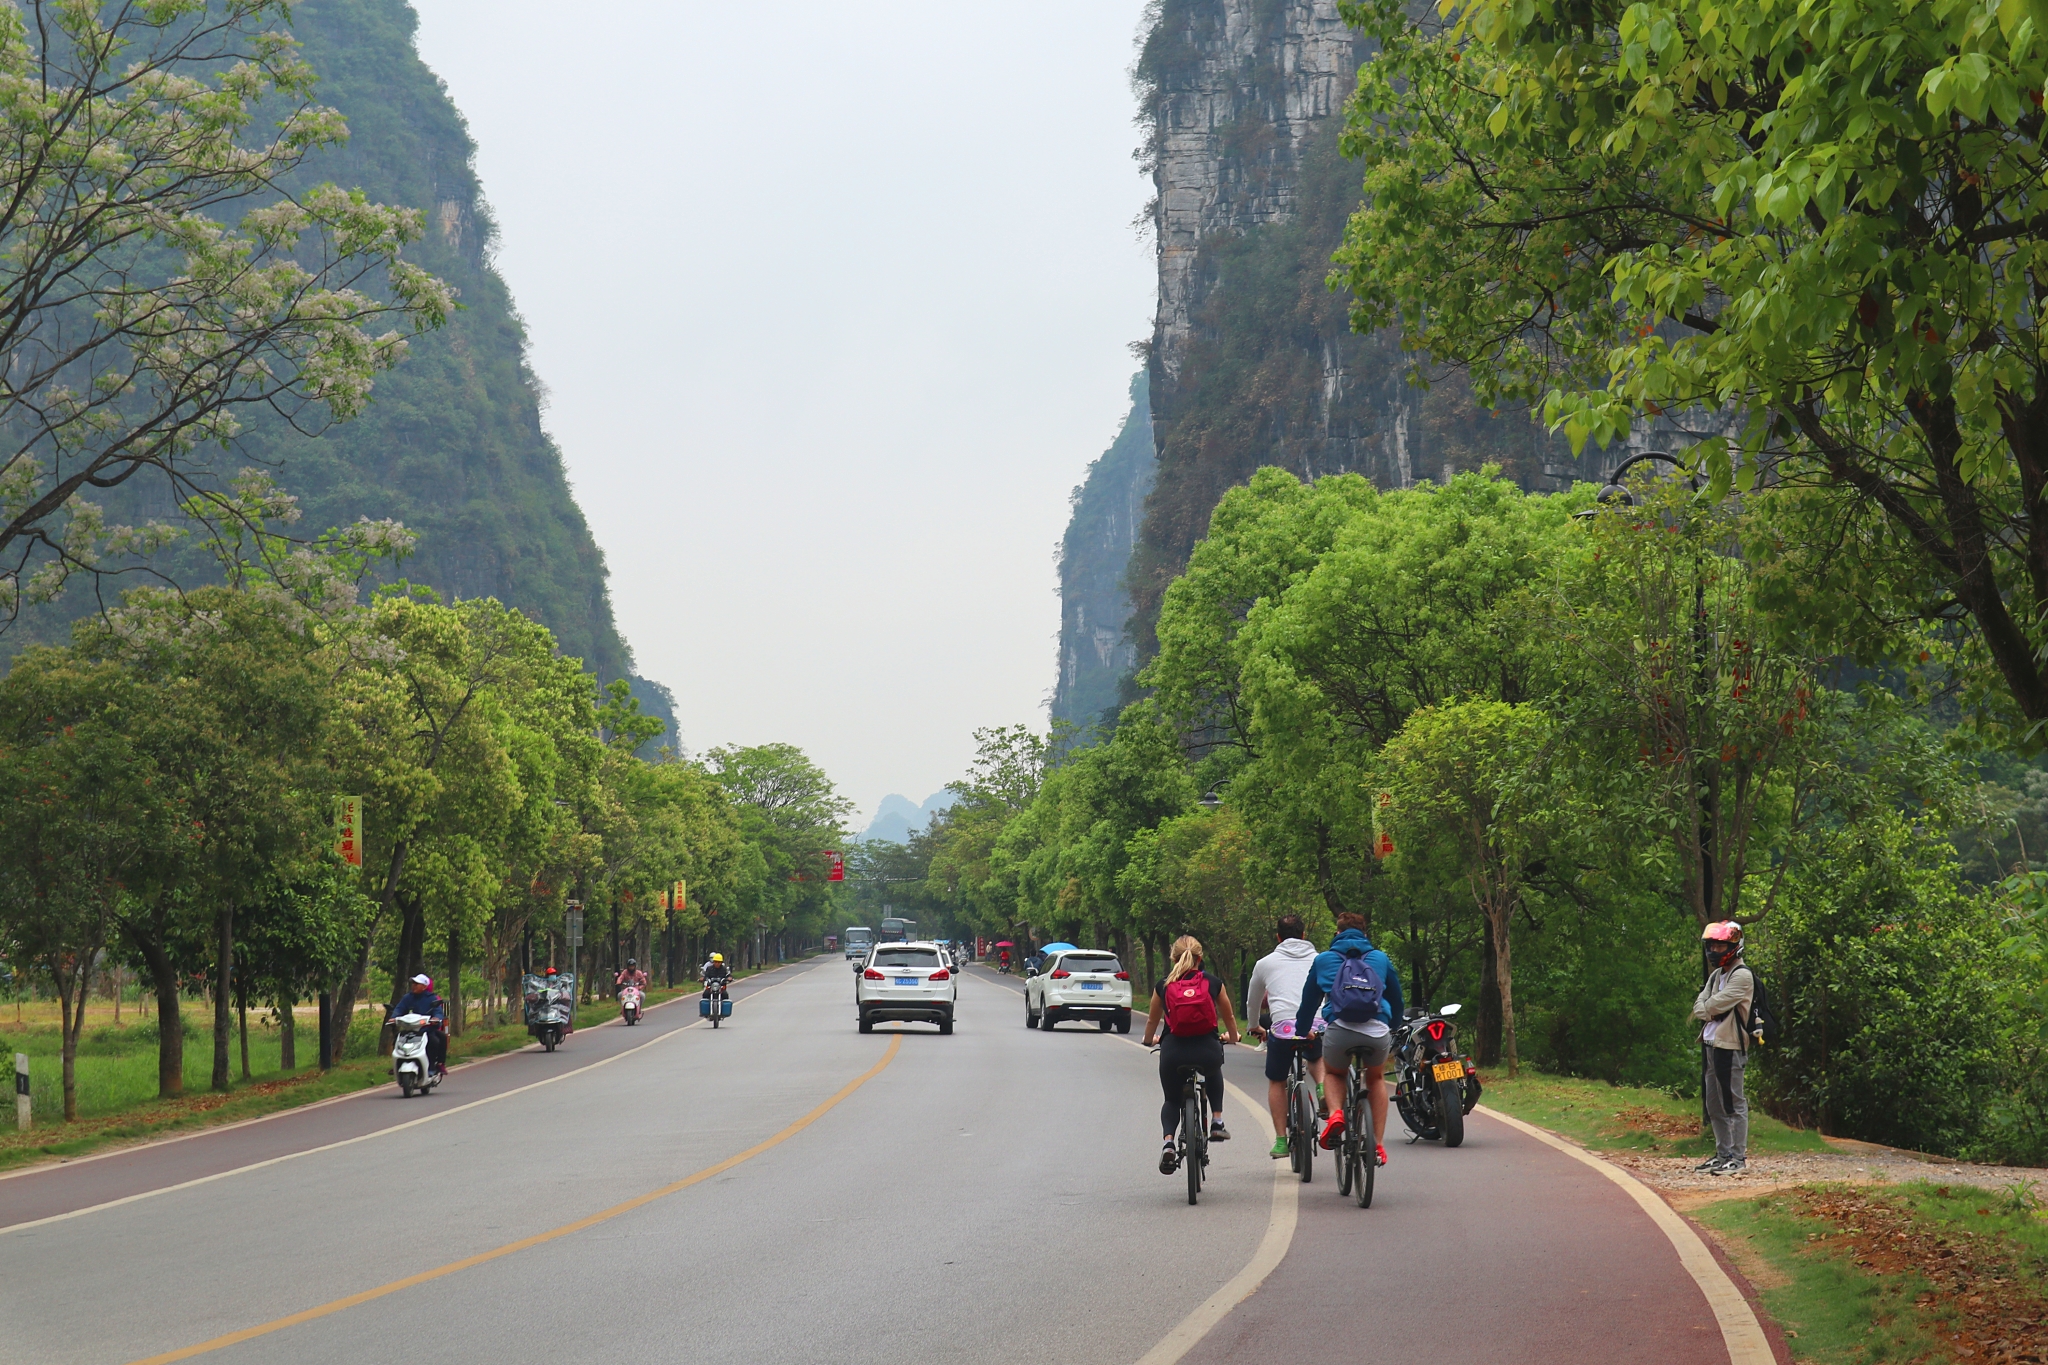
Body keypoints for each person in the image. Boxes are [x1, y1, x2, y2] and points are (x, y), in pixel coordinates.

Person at [1296, 912, 1404, 1169]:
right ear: (1365, 934)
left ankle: (1336, 1115)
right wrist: (1394, 1025)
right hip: (1376, 1030)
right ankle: (1377, 1145)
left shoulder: (1323, 960)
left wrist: (1302, 1029)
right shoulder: (1380, 958)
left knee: (1334, 1073)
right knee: (1375, 1078)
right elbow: (1397, 998)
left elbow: (1309, 1001)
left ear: (1337, 933)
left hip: (1340, 1028)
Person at [1142, 934, 1241, 1174]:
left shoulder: (1163, 985)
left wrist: (1148, 1040)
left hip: (1173, 1051)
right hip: (1206, 1049)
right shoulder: (1213, 982)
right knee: (1214, 1070)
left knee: (1171, 1100)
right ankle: (1216, 1121)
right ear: (1200, 957)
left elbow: (1153, 1021)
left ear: (1173, 958)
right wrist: (1233, 1036)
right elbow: (1228, 1016)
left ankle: (1168, 1143)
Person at [1244, 915, 1324, 1159]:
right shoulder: (1320, 959)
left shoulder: (1265, 963)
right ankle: (1322, 1088)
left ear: (1278, 937)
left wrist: (1254, 1025)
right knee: (1316, 1057)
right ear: (1303, 935)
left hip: (1283, 1029)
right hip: (1315, 1024)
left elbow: (1253, 1002)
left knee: (1277, 1080)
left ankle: (1280, 1141)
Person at [1693, 921, 1755, 1174]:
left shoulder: (1742, 976)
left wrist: (1706, 1008)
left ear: (1734, 947)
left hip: (1730, 1045)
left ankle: (1738, 1158)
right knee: (1714, 1104)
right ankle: (1723, 1154)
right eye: (1712, 945)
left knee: (1733, 1103)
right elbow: (1701, 1004)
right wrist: (1706, 1008)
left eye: (1720, 946)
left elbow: (1712, 1005)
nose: (1714, 950)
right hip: (1711, 1043)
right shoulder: (1716, 975)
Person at [390, 973, 448, 1079]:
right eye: (413, 983)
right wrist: (394, 1017)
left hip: (427, 1029)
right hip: (410, 1029)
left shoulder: (431, 998)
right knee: (397, 1039)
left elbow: (438, 1011)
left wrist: (436, 1018)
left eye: (417, 984)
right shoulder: (407, 997)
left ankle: (432, 1066)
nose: (414, 986)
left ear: (424, 987)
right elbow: (399, 1008)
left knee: (435, 1041)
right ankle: (398, 1063)